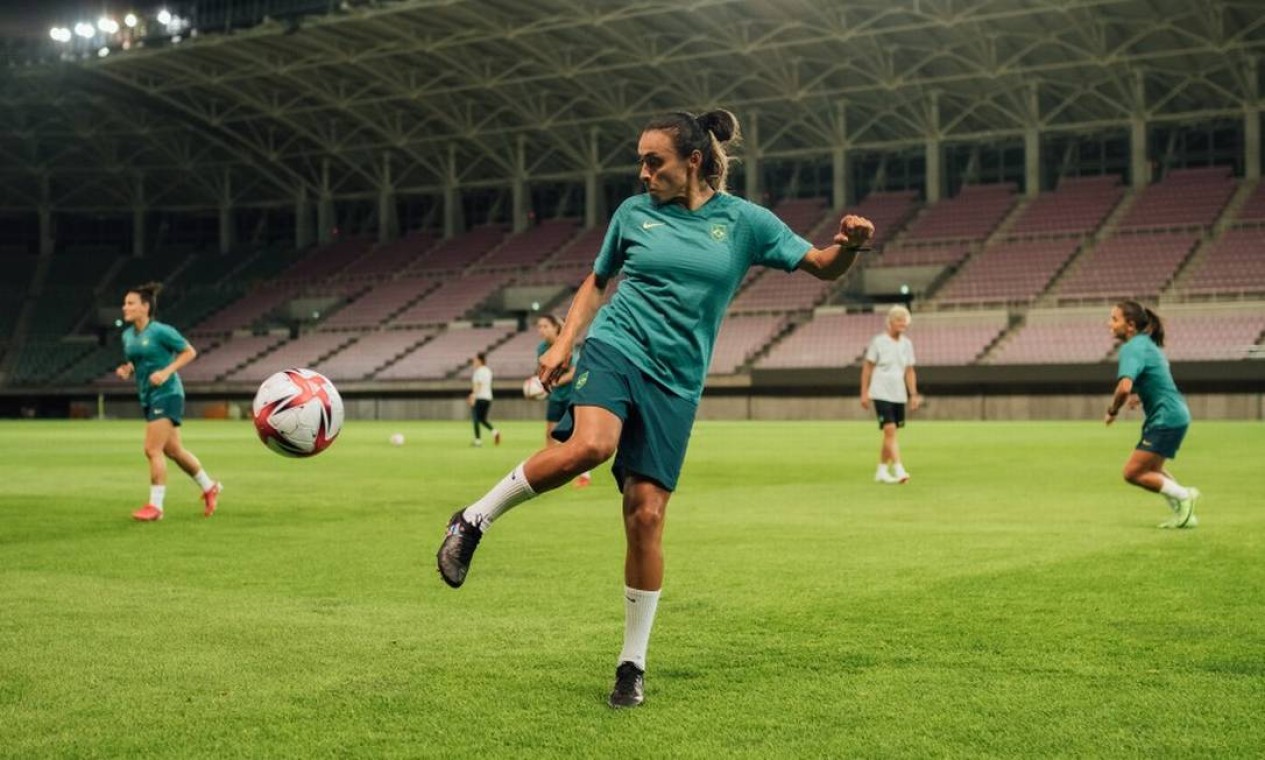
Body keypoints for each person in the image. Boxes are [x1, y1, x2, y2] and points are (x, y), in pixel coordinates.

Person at [435, 109, 874, 708]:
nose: (643, 173)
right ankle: (473, 520)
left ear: (692, 161)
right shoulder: (632, 214)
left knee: (645, 516)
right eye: (641, 161)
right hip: (617, 346)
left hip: (677, 382)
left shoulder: (745, 223)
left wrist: (848, 246)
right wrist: (565, 342)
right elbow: (597, 281)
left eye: (654, 161)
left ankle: (631, 663)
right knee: (591, 445)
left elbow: (822, 266)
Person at [114, 282, 221, 522]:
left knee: (152, 449)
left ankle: (156, 507)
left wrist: (166, 372)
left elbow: (189, 351)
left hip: (169, 393)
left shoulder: (161, 331)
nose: (125, 307)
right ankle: (209, 486)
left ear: (145, 307)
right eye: (125, 303)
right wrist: (128, 369)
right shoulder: (127, 336)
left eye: (130, 303)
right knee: (174, 451)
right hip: (148, 396)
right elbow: (139, 359)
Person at [1104, 301, 1199, 528]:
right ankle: (1184, 515)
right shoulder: (1146, 344)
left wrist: (1113, 410)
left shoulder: (1132, 348)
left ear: (1130, 325)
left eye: (1114, 319)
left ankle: (1184, 496)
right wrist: (1139, 395)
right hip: (1174, 415)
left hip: (1166, 417)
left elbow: (1124, 387)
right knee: (1153, 470)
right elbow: (1152, 376)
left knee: (1132, 472)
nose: (1109, 324)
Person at [859, 305, 921, 484]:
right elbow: (867, 367)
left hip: (898, 393)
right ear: (890, 322)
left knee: (890, 434)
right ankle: (899, 468)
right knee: (890, 429)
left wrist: (913, 394)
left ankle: (881, 470)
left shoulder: (907, 344)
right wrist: (864, 392)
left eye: (905, 321)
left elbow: (909, 370)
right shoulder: (878, 342)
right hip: (880, 391)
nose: (902, 324)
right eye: (899, 321)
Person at [535, 314, 591, 487]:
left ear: (554, 328)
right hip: (556, 396)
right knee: (550, 434)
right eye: (539, 327)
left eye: (545, 326)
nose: (541, 330)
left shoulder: (565, 344)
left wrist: (556, 381)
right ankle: (549, 472)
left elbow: (575, 372)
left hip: (572, 395)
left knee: (574, 437)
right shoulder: (541, 348)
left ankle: (585, 475)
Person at [468, 352, 500, 447]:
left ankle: (478, 441)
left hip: (480, 397)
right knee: (482, 419)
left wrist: (473, 395)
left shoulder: (479, 371)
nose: (473, 362)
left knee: (476, 419)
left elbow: (479, 384)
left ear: (479, 360)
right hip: (488, 398)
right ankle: (495, 432)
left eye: (475, 360)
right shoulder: (488, 371)